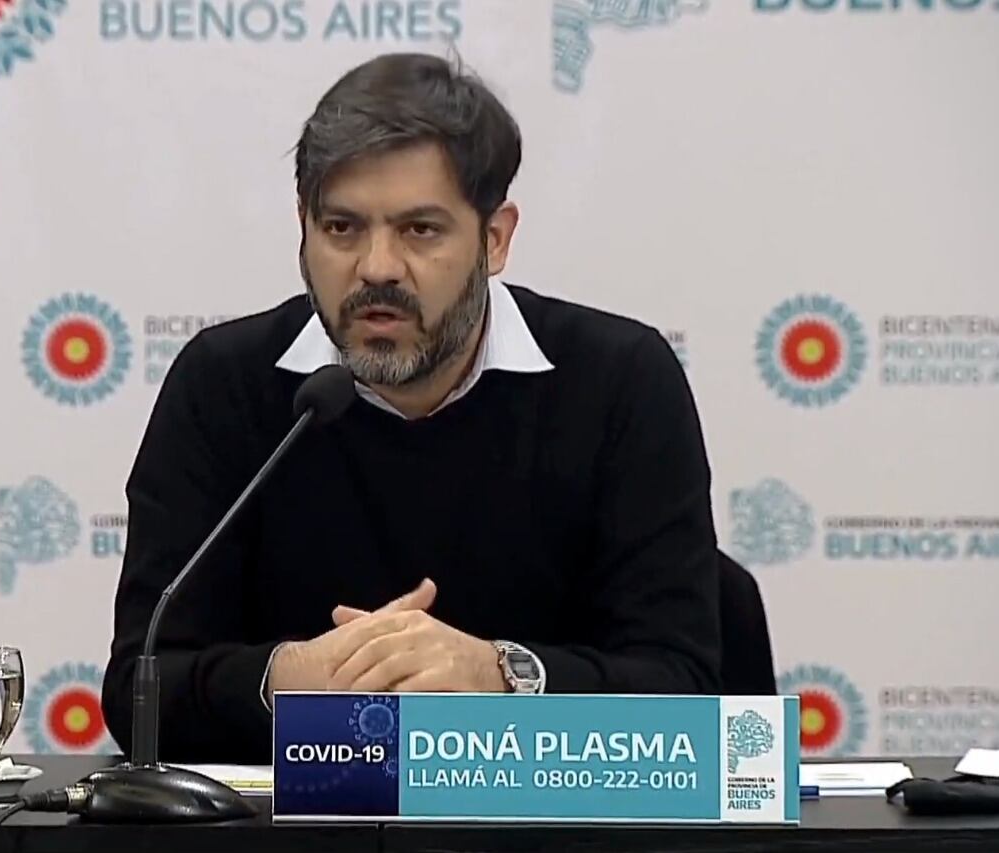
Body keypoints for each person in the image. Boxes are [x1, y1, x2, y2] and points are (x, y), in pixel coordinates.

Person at [102, 52, 721, 764]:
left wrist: (501, 677)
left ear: (495, 238)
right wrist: (284, 681)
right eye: (342, 228)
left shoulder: (619, 381)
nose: (377, 267)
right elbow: (140, 689)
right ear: (303, 227)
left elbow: (684, 690)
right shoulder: (224, 384)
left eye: (419, 230)